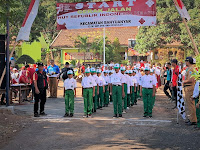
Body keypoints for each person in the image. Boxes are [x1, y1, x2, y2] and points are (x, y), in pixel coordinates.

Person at [183, 57, 197, 126]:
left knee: (191, 104)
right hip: (187, 87)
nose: (185, 62)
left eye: (186, 61)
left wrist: (183, 81)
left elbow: (191, 80)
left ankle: (193, 120)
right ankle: (191, 118)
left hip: (190, 87)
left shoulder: (191, 69)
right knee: (189, 104)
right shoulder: (189, 69)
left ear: (188, 61)